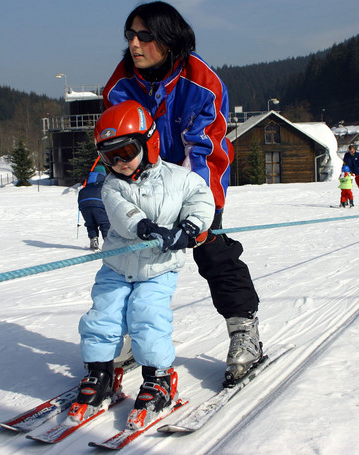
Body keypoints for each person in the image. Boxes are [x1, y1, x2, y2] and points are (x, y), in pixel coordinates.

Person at [102, 1, 262, 385]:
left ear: (169, 39)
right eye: (130, 36)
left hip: (195, 181)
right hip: (140, 183)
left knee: (213, 253)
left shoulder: (201, 82)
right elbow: (116, 145)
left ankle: (244, 331)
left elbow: (204, 145)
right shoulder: (120, 85)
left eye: (145, 36)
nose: (135, 44)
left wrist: (197, 212)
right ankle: (134, 336)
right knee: (128, 263)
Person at [69, 101, 214, 429]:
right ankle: (100, 372)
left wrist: (189, 227)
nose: (119, 162)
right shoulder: (112, 184)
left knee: (148, 317)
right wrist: (144, 226)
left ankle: (159, 377)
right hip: (117, 267)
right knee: (102, 315)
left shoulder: (179, 178)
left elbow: (201, 200)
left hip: (158, 269)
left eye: (126, 151)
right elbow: (121, 213)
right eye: (110, 157)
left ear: (149, 143)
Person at [78, 165, 110, 250]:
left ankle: (93, 240)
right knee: (104, 223)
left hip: (84, 204)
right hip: (98, 204)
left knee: (91, 224)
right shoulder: (105, 181)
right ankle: (107, 241)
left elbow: (81, 193)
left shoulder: (88, 181)